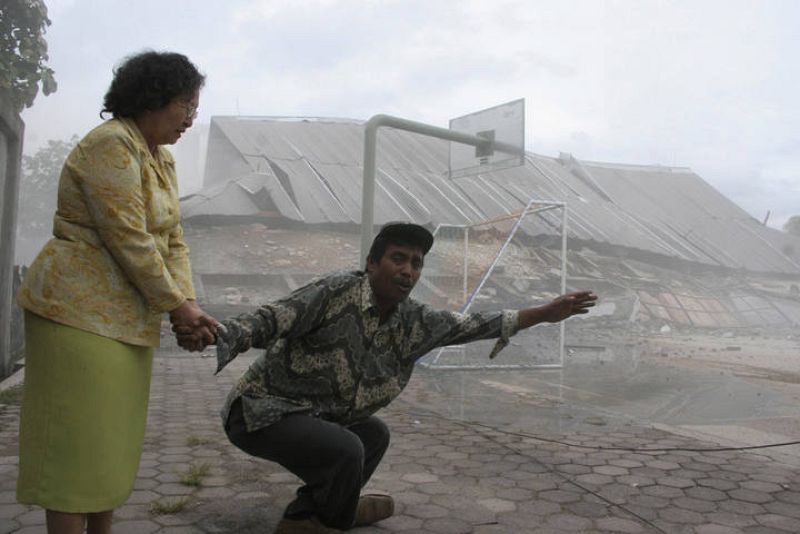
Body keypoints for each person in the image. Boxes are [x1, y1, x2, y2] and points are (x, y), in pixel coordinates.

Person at [177, 222, 597, 534]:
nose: (408, 270)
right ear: (372, 263)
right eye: (398, 258)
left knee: (373, 434)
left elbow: (475, 324)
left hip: (319, 415)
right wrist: (219, 333)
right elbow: (273, 317)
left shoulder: (416, 320)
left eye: (416, 263)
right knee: (346, 448)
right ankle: (325, 518)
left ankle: (318, 512)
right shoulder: (334, 291)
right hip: (259, 413)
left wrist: (544, 313)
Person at [16, 51, 218, 534]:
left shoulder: (161, 159)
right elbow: (128, 236)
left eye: (195, 107)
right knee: (75, 448)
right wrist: (178, 305)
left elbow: (172, 239)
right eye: (185, 105)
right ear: (153, 98)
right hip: (74, 314)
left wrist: (182, 306)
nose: (191, 118)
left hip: (128, 319)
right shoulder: (111, 145)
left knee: (109, 446)